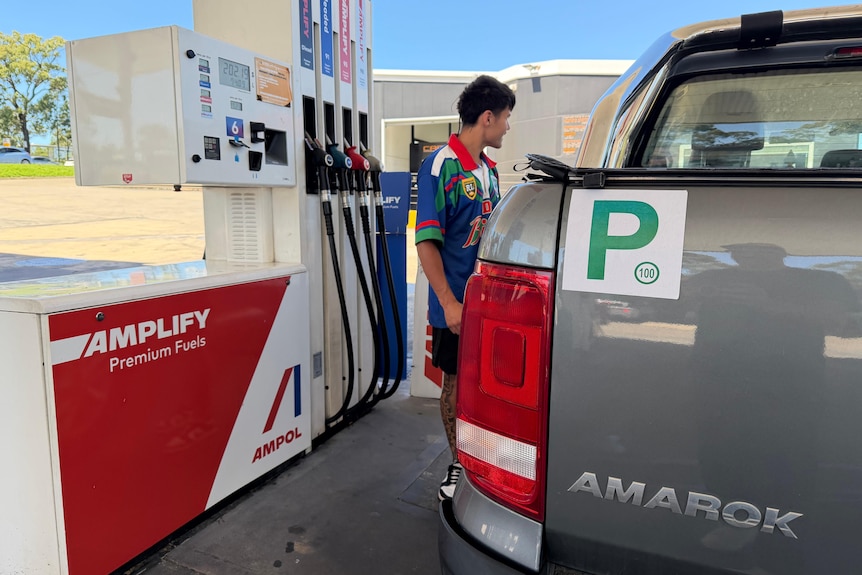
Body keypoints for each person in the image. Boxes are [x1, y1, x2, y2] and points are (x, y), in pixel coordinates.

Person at [414, 75, 515, 500]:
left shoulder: (489, 171)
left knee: (484, 387)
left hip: (487, 306)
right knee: (454, 386)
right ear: (487, 117)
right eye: (506, 118)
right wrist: (449, 304)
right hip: (455, 309)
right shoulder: (441, 165)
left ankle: (483, 461)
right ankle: (458, 464)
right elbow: (426, 242)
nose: (508, 127)